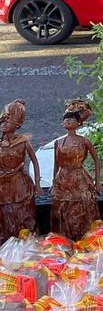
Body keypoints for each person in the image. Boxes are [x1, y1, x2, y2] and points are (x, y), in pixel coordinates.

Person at [51, 99, 100, 240]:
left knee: (82, 206)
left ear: (78, 123)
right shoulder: (58, 142)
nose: (67, 122)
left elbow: (96, 160)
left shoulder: (84, 141)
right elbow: (56, 163)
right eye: (65, 120)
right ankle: (64, 237)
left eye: (71, 119)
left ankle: (84, 237)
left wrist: (97, 181)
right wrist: (54, 182)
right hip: (62, 178)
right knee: (62, 207)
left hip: (79, 178)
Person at [0, 100, 38, 242]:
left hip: (20, 183)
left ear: (17, 125)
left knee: (22, 211)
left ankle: (24, 242)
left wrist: (38, 183)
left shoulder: (23, 141)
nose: (3, 124)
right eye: (2, 121)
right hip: (2, 185)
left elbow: (35, 161)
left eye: (7, 121)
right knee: (5, 213)